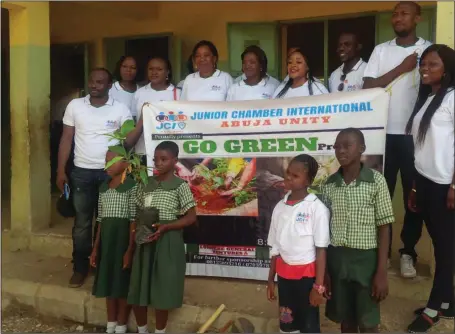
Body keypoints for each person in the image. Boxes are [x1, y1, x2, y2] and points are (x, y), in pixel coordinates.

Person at [362, 1, 431, 278]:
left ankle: (407, 253)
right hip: (382, 135)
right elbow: (368, 85)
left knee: (414, 197)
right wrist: (402, 68)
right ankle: (382, 253)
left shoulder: (429, 49)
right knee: (381, 197)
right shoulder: (381, 50)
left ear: (417, 18)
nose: (397, 17)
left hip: (414, 137)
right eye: (395, 13)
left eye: (404, 13)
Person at [57, 68, 133, 288]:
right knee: (82, 223)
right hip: (81, 173)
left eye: (100, 82)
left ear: (110, 85)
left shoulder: (121, 109)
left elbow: (127, 141)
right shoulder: (75, 106)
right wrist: (61, 170)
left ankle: (100, 265)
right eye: (92, 81)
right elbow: (66, 139)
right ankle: (80, 267)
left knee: (105, 222)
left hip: (109, 174)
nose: (94, 85)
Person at [321, 128, 394, 333]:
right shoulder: (329, 185)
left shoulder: (376, 181)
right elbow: (324, 231)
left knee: (368, 321)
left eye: (347, 146)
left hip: (366, 261)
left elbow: (384, 227)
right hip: (338, 260)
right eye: (337, 146)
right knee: (346, 319)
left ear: (361, 148)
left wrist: (381, 272)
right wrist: (326, 271)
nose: (341, 151)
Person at [405, 44, 455, 333]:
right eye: (423, 64)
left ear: (446, 69)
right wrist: (413, 188)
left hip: (443, 186)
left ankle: (433, 309)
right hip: (423, 181)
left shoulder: (452, 98)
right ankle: (448, 302)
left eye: (432, 64)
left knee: (445, 248)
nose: (425, 68)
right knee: (440, 242)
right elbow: (421, 148)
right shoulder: (429, 97)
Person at [128, 141, 197, 334]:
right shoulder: (146, 184)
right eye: (156, 159)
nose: (158, 163)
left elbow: (191, 217)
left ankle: (160, 331)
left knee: (162, 290)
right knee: (138, 288)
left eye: (164, 159)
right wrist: (132, 245)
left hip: (167, 241)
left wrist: (167, 226)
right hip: (145, 241)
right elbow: (135, 215)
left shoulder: (180, 186)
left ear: (175, 161)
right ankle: (142, 330)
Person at [267, 154, 330, 333]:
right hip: (285, 278)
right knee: (287, 321)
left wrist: (318, 287)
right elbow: (275, 248)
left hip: (307, 279)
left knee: (308, 325)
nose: (288, 178)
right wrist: (271, 279)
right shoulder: (279, 208)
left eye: (295, 176)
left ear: (308, 180)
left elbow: (321, 250)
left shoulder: (316, 209)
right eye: (288, 173)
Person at [90, 148, 138, 334]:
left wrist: (129, 249)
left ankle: (121, 324)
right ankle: (110, 324)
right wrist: (95, 248)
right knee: (108, 280)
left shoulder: (132, 187)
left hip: (122, 241)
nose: (107, 165)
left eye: (112, 161)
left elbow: (133, 220)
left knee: (121, 283)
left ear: (125, 164)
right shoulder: (103, 188)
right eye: (106, 160)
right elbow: (100, 220)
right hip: (107, 242)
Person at [127, 57, 180, 163]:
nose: (154, 72)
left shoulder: (177, 93)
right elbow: (133, 122)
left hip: (168, 152)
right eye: (151, 69)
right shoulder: (140, 93)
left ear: (167, 72)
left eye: (159, 69)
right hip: (143, 151)